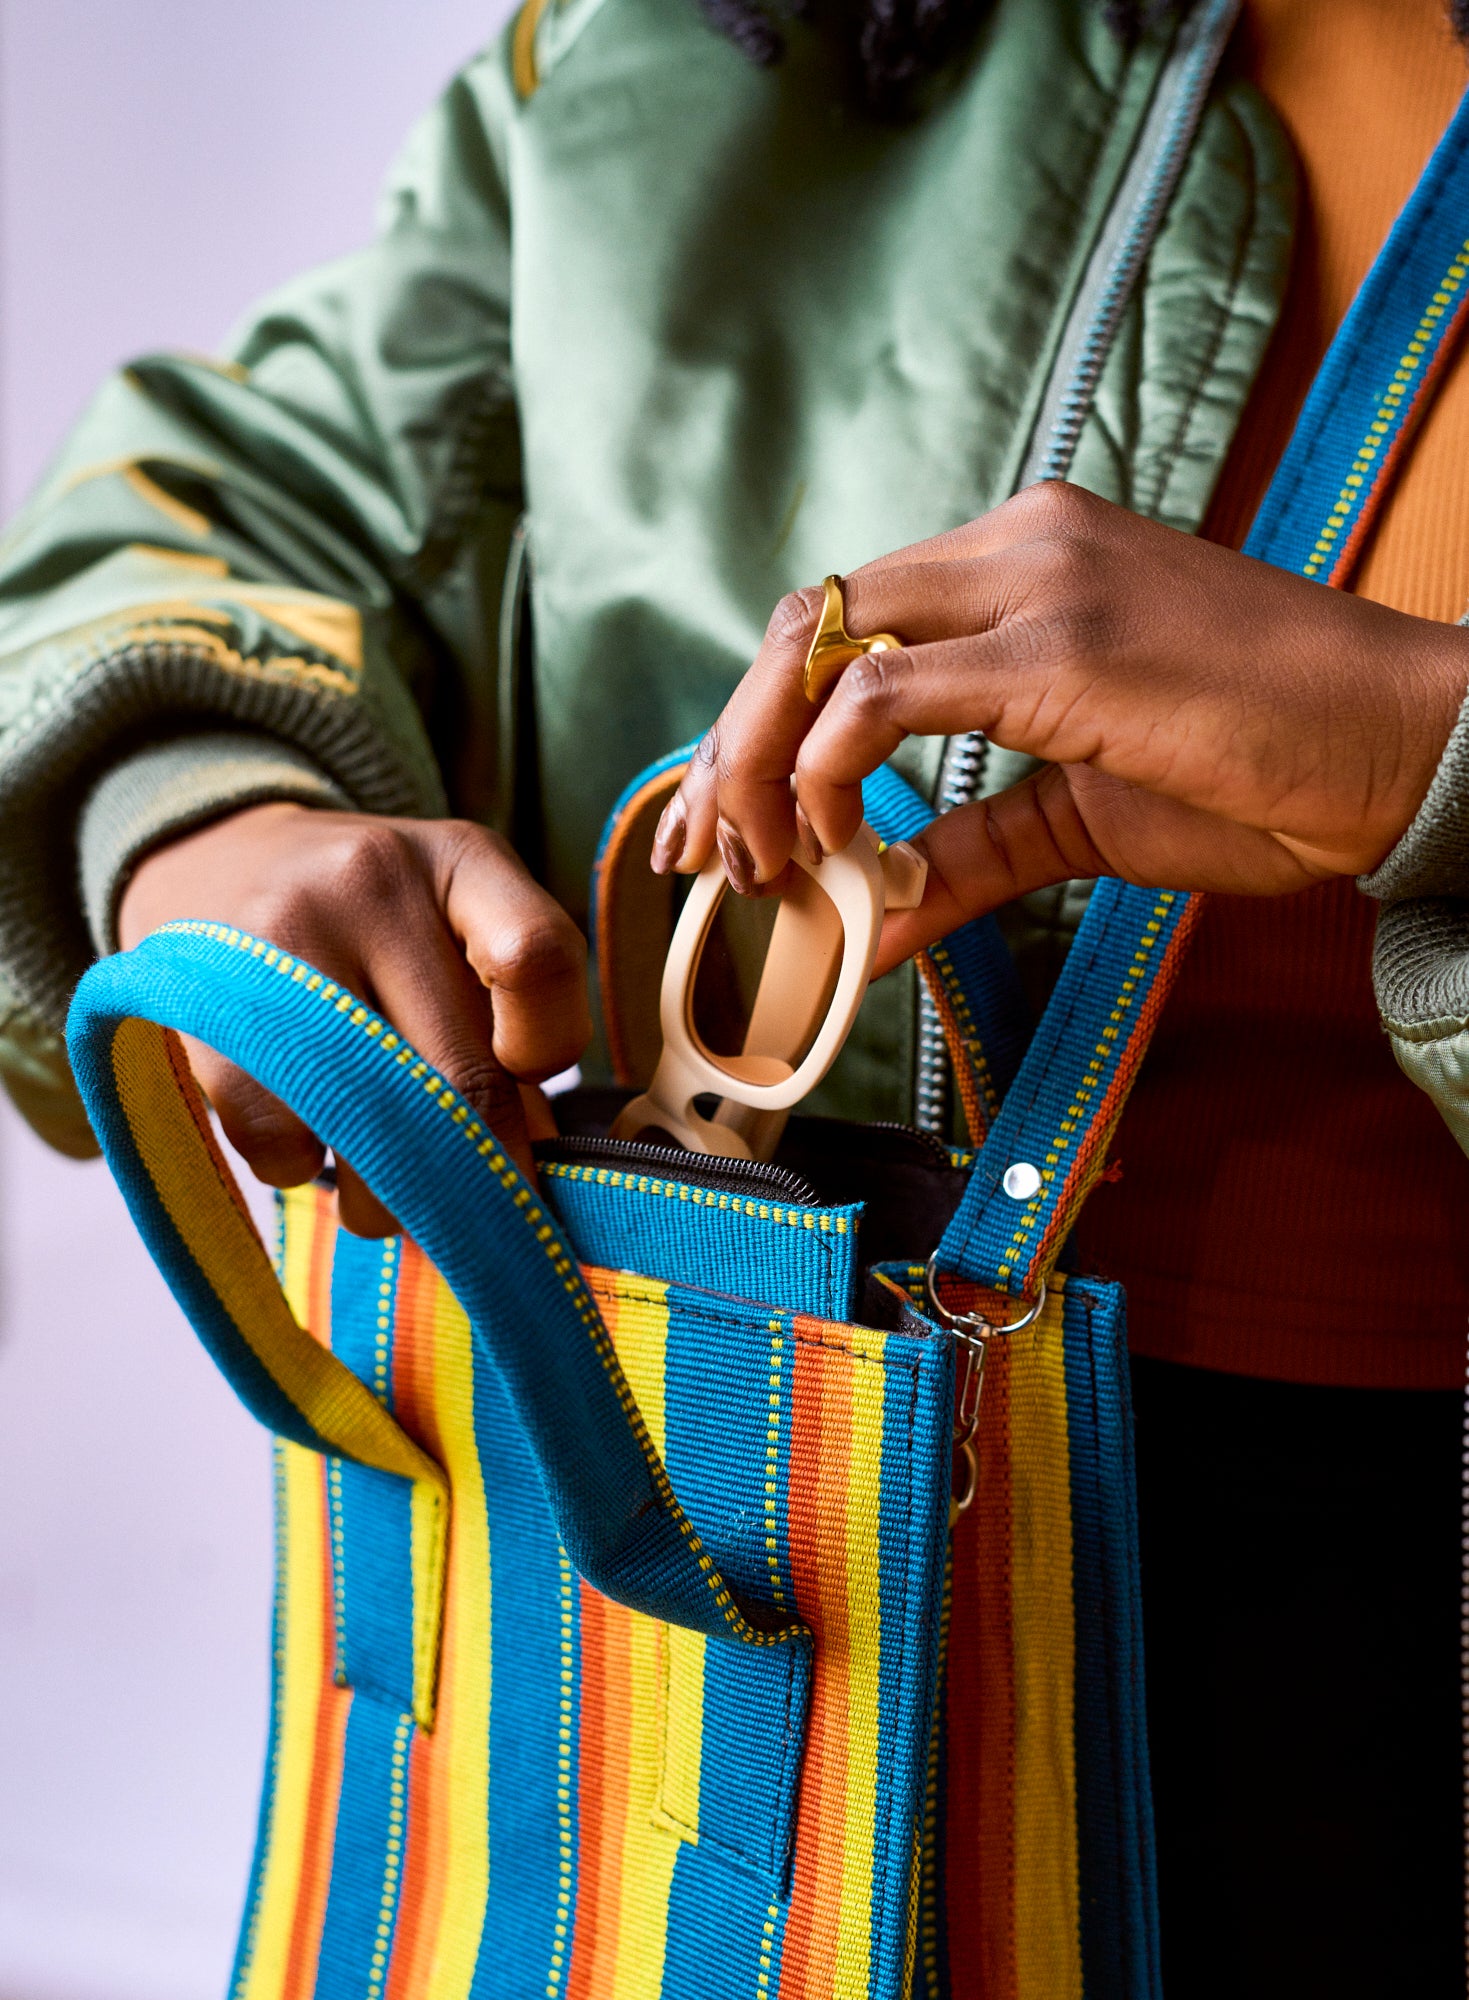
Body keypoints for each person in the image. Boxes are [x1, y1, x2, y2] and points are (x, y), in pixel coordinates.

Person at [0, 0, 1465, 1987]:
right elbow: (245, 485)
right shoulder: (694, 40)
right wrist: (205, 815)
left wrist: (1427, 759)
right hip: (734, 1508)